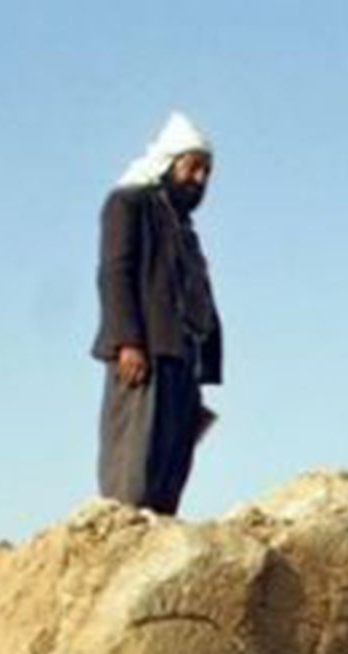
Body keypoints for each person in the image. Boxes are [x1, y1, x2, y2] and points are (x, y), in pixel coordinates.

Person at [92, 111, 222, 517]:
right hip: (143, 354)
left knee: (171, 467)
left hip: (183, 359)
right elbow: (115, 271)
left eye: (206, 171)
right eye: (193, 167)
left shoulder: (183, 226)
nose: (199, 179)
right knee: (135, 464)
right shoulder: (129, 203)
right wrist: (127, 341)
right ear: (168, 163)